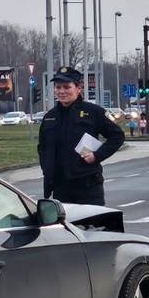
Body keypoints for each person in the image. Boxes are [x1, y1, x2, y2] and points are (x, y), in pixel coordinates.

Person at [37, 65, 125, 205]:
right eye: (58, 87)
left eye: (67, 87)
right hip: (60, 188)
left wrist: (96, 156)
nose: (61, 91)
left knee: (92, 226)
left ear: (78, 88)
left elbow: (117, 136)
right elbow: (42, 148)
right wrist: (47, 170)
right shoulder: (49, 117)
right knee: (65, 226)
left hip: (87, 186)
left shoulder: (93, 112)